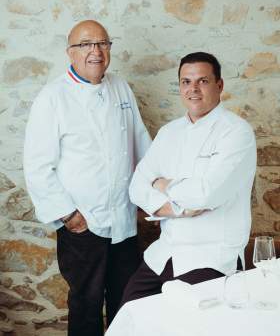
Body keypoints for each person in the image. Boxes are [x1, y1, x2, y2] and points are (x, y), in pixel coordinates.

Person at [23, 20, 151, 336]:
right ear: (70, 52)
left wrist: (149, 195)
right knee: (86, 306)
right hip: (84, 225)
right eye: (85, 44)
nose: (95, 51)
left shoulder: (121, 86)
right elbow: (37, 166)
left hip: (123, 219)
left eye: (102, 43)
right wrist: (70, 216)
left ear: (109, 49)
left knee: (127, 303)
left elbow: (140, 142)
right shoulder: (52, 97)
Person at [121, 52, 256, 305]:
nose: (193, 89)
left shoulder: (236, 132)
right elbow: (137, 187)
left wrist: (163, 184)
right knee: (128, 313)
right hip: (164, 253)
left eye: (202, 81)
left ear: (220, 85)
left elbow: (207, 193)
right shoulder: (168, 132)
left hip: (212, 258)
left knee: (185, 326)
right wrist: (178, 210)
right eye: (186, 82)